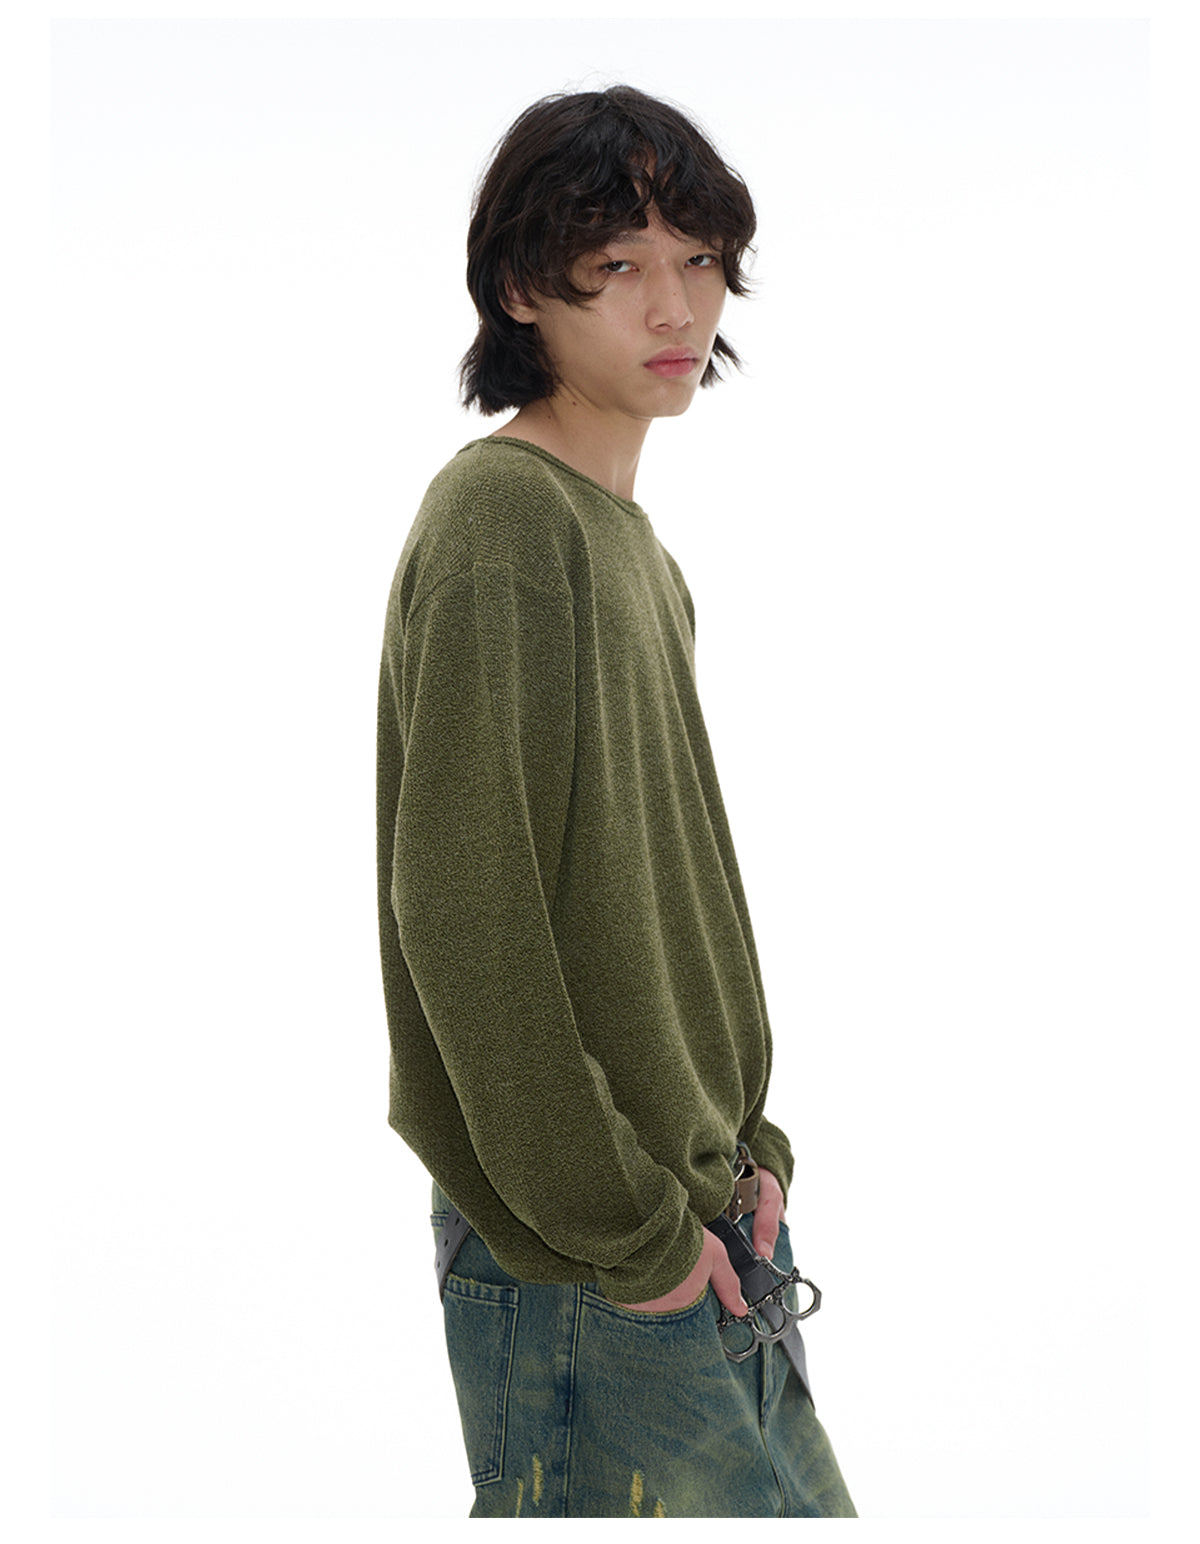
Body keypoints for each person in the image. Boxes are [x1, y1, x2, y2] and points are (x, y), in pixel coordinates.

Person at [376, 85, 856, 1519]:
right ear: (525, 288)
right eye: (620, 263)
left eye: (699, 260)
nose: (675, 304)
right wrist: (622, 1227)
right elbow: (466, 913)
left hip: (690, 1215)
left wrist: (747, 1145)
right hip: (590, 1251)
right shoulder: (505, 518)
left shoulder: (631, 548)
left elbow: (661, 890)